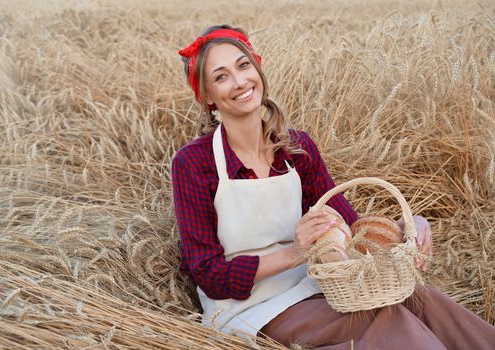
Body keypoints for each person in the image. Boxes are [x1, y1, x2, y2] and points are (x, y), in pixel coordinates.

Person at [171, 24, 495, 349]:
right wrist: (295, 253)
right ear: (208, 97)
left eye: (244, 66)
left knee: (421, 299)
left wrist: (407, 228)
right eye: (221, 76)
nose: (240, 81)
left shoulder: (296, 148)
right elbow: (209, 275)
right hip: (251, 306)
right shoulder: (194, 163)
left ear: (257, 68)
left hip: (317, 282)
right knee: (389, 318)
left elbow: (350, 224)